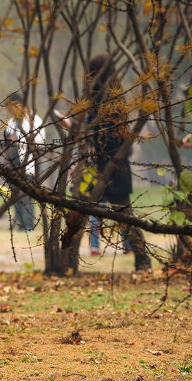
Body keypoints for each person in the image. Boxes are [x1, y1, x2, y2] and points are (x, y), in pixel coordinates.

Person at [80, 54, 150, 270]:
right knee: (116, 214)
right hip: (106, 165)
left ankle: (142, 259)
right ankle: (142, 259)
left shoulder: (108, 99)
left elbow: (107, 135)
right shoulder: (110, 97)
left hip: (109, 166)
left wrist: (84, 131)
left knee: (123, 215)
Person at [3, 92, 47, 233]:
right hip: (13, 163)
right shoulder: (11, 121)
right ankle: (19, 223)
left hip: (27, 162)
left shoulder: (34, 119)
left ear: (20, 105)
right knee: (15, 194)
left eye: (13, 106)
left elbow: (40, 140)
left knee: (26, 194)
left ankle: (28, 225)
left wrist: (20, 141)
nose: (11, 110)